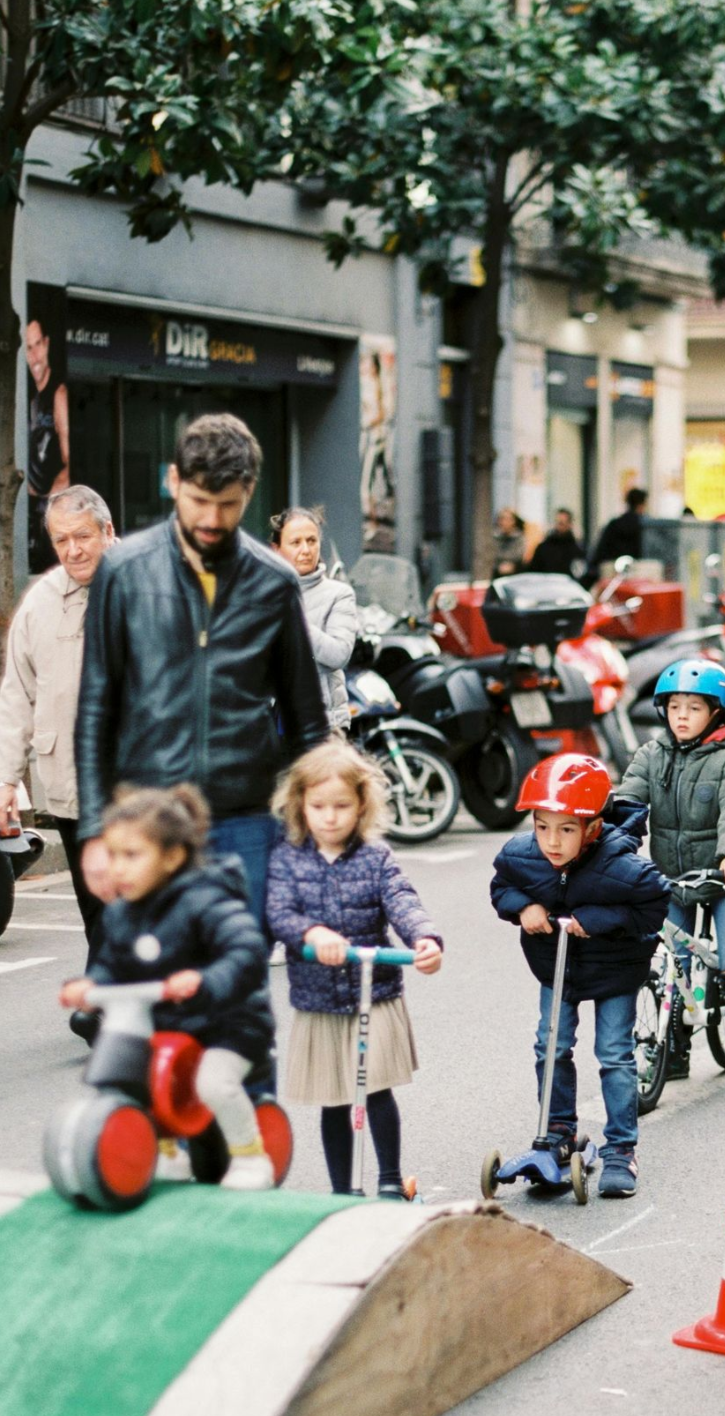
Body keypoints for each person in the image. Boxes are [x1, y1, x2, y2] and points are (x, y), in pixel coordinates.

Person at [75, 412, 328, 930]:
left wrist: (317, 832)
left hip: (247, 821)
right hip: (145, 818)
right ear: (174, 482)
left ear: (250, 491)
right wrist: (94, 831)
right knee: (151, 983)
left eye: (228, 505)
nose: (212, 519)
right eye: (199, 502)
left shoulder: (274, 582)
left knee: (235, 981)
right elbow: (96, 706)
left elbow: (307, 719)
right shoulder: (122, 574)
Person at [58, 784, 278, 1188]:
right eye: (113, 855)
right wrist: (91, 988)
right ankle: (166, 1152)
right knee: (134, 1073)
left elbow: (245, 951)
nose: (118, 868)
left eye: (132, 856)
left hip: (229, 1022)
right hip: (171, 1023)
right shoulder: (122, 913)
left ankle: (251, 1157)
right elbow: (115, 964)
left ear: (172, 857)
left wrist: (205, 979)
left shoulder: (207, 898)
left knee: (212, 1082)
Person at [266, 739, 443, 1199]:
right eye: (318, 805)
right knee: (335, 1098)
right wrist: (310, 935)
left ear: (361, 805)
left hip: (375, 990)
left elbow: (402, 900)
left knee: (377, 1090)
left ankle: (388, 1181)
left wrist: (423, 939)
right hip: (320, 998)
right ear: (300, 804)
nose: (329, 816)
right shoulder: (288, 859)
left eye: (341, 805)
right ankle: (343, 1191)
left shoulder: (375, 857)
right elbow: (280, 912)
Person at [490, 753, 669, 1201]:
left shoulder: (621, 866)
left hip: (614, 970)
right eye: (542, 826)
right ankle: (557, 1132)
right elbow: (501, 886)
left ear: (592, 829)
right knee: (550, 1043)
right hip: (559, 965)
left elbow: (653, 907)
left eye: (566, 829)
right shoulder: (522, 856)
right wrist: (522, 906)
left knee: (613, 1053)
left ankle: (621, 1149)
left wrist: (598, 917)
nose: (551, 841)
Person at [619, 658, 725, 1087]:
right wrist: (608, 844)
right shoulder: (651, 755)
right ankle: (675, 1049)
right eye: (675, 707)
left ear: (716, 713)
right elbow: (627, 803)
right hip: (672, 881)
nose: (682, 716)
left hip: (722, 878)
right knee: (671, 966)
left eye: (694, 708)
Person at [0, 485, 114, 962]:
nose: (73, 550)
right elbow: (17, 695)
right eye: (61, 540)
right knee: (95, 902)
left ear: (108, 531)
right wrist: (5, 778)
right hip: (69, 782)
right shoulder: (41, 602)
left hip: (141, 781)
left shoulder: (152, 584)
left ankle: (109, 999)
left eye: (83, 536)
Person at [269, 506, 358, 731]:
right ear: (276, 549)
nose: (306, 549)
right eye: (295, 542)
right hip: (269, 725)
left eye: (311, 540)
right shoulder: (263, 593)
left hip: (322, 726)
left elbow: (338, 654)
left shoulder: (338, 594)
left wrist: (293, 620)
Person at [24, 313, 70, 573]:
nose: (34, 356)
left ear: (47, 344)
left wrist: (47, 503)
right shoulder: (33, 399)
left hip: (52, 513)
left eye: (37, 345)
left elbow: (69, 463)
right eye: (28, 348)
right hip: (36, 515)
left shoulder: (59, 393)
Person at [588, 487, 647, 579]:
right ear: (641, 505)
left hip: (612, 573)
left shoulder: (614, 524)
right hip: (638, 573)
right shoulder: (645, 527)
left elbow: (600, 552)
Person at [528, 508, 585, 579]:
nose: (557, 526)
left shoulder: (577, 550)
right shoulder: (543, 548)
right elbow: (533, 572)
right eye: (556, 522)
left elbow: (580, 574)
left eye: (561, 523)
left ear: (570, 524)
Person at [492, 508, 527, 577]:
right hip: (496, 574)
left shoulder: (520, 539)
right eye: (501, 519)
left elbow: (520, 558)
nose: (504, 522)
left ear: (513, 521)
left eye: (507, 519)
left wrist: (512, 566)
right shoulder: (494, 538)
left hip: (515, 575)